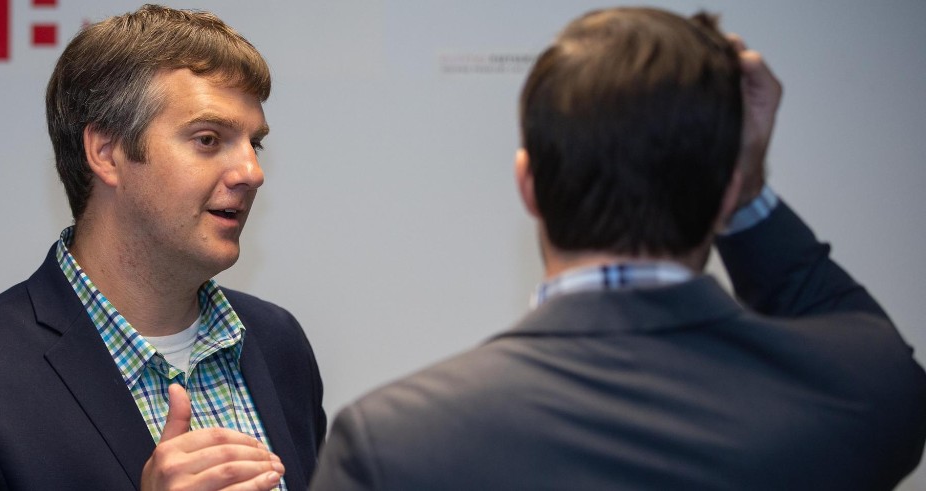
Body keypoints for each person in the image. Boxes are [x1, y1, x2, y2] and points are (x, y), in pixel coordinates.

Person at [311, 7, 926, 490]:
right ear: (726, 191)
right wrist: (749, 193)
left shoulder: (395, 444)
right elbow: (866, 338)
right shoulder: (856, 398)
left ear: (529, 186)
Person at [0, 5, 325, 490]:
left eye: (253, 144)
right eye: (209, 139)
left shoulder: (277, 342)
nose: (251, 173)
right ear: (106, 153)